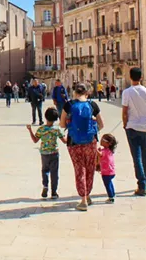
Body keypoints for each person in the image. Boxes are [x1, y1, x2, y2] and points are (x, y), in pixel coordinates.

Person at [60, 83, 103, 211]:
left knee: (79, 169)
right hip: (91, 142)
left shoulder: (69, 105)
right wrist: (92, 130)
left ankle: (83, 199)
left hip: (74, 142)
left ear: (74, 92)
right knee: (90, 168)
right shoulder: (93, 105)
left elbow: (62, 125)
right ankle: (87, 195)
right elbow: (101, 124)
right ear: (87, 93)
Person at [122, 67, 146, 196]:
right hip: (145, 127)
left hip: (132, 127)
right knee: (145, 155)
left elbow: (125, 111)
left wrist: (125, 124)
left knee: (136, 157)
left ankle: (141, 184)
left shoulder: (127, 92)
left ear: (130, 77)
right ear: (141, 77)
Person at [27, 108, 66, 200]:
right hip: (54, 153)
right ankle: (54, 192)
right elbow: (65, 141)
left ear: (45, 117)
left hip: (44, 153)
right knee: (54, 173)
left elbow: (35, 140)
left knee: (45, 170)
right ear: (56, 119)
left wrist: (30, 130)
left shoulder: (41, 129)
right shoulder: (57, 129)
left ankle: (45, 186)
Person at [97, 133, 118, 203]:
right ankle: (113, 194)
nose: (101, 140)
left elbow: (100, 154)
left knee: (107, 185)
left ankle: (111, 197)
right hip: (111, 172)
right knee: (110, 183)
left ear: (109, 143)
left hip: (106, 172)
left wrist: (94, 148)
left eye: (103, 140)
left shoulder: (105, 151)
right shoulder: (109, 151)